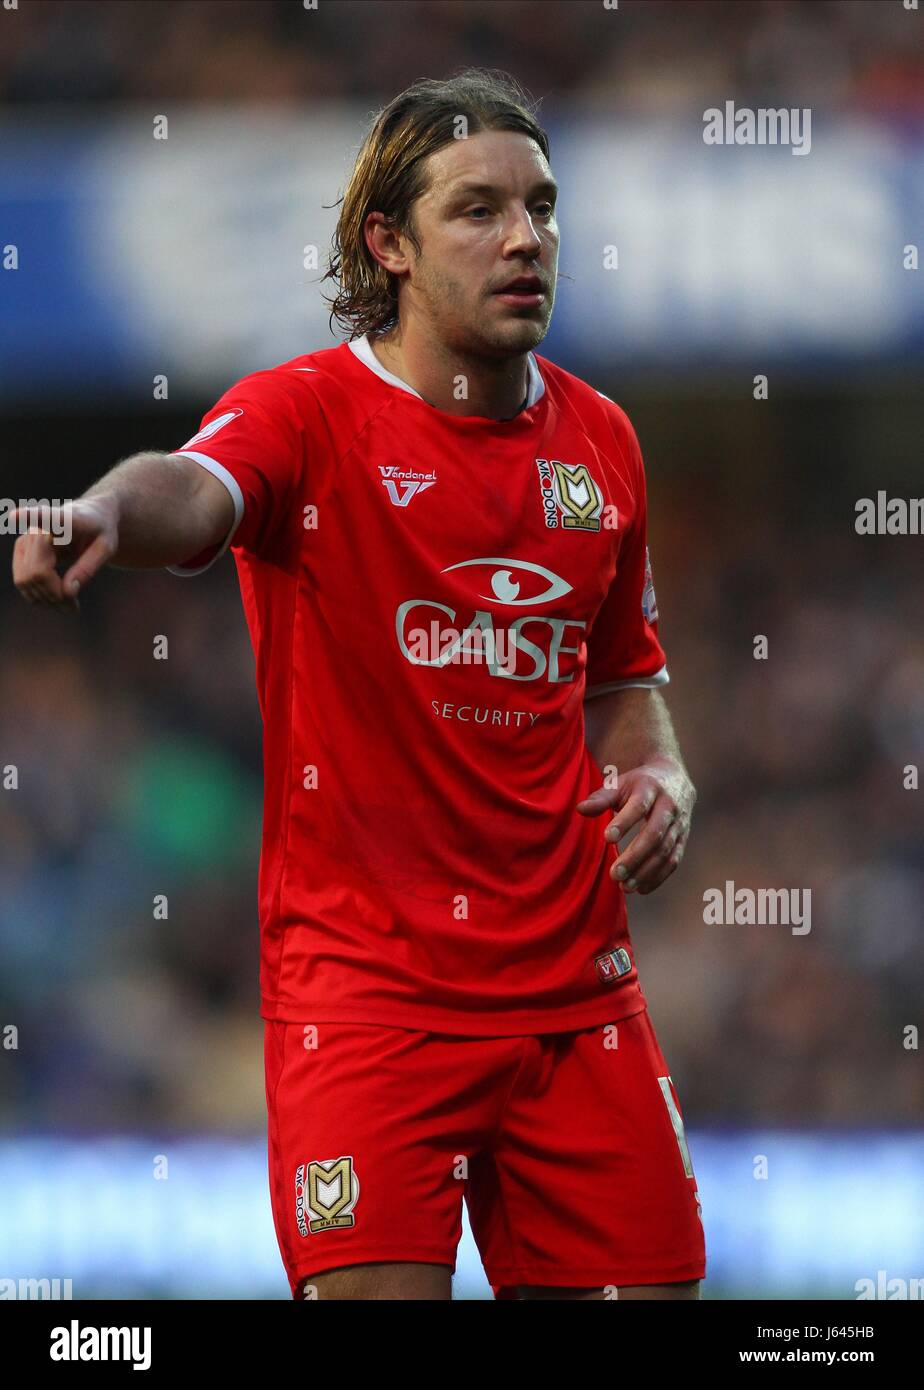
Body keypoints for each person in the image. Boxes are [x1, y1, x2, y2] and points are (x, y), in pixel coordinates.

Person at [12, 68, 704, 1301]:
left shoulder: (603, 442)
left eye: (542, 206)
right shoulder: (309, 416)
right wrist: (107, 507)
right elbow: (193, 490)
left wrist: (659, 768)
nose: (527, 238)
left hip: (577, 999)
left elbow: (622, 684)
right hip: (372, 1003)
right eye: (479, 211)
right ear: (388, 242)